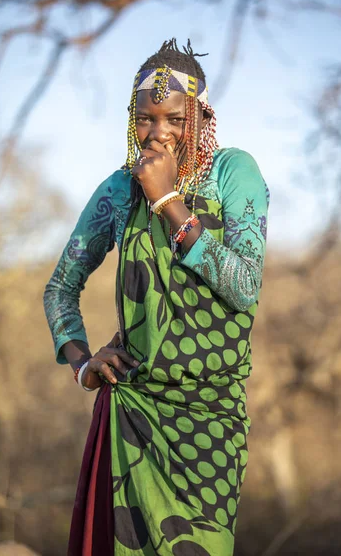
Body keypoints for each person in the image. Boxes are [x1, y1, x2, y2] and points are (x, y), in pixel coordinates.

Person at [44, 38, 269, 556]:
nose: (160, 132)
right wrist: (83, 365)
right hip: (134, 415)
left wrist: (167, 200)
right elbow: (60, 288)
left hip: (209, 422)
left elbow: (244, 286)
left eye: (174, 118)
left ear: (200, 115)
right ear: (133, 120)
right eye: (146, 118)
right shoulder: (120, 191)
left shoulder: (235, 174)